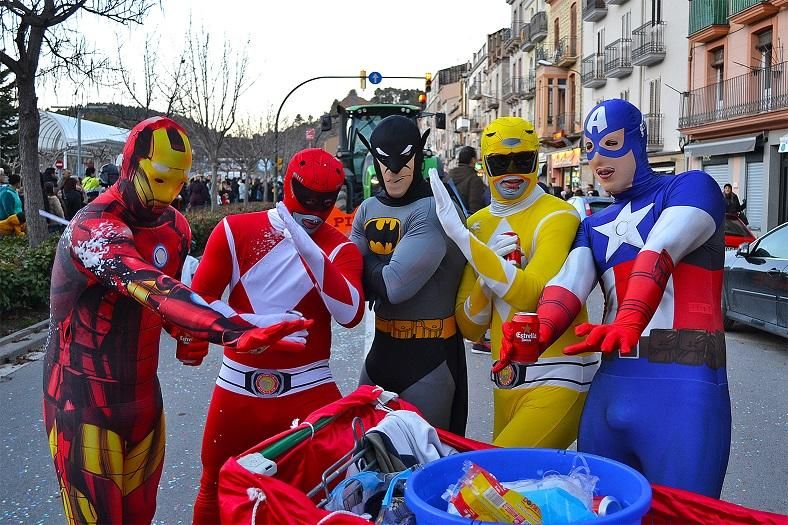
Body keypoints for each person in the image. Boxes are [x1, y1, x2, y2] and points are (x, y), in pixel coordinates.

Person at [42, 116, 310, 525]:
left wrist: (187, 332)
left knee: (140, 516)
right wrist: (232, 329)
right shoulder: (92, 227)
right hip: (81, 400)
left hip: (144, 398)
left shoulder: (175, 227)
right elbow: (148, 285)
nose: (170, 194)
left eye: (180, 182)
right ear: (132, 164)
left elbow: (165, 304)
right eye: (161, 179)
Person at [506, 99, 730, 497]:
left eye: (610, 143)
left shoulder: (692, 187)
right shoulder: (593, 225)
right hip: (610, 387)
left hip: (682, 388)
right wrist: (537, 332)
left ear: (637, 141)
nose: (598, 160)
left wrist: (629, 319)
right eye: (590, 149)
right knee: (600, 510)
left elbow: (660, 249)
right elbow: (569, 283)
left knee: (684, 516)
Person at [187, 148, 364, 524]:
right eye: (307, 197)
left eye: (326, 201)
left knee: (316, 498)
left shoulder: (341, 247)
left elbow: (350, 313)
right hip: (237, 392)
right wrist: (251, 325)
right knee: (214, 485)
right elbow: (196, 305)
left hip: (307, 392)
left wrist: (307, 248)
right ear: (288, 186)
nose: (315, 209)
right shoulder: (235, 230)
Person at [429, 116, 597, 448]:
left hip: (558, 374)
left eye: (523, 160)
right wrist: (485, 277)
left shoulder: (559, 215)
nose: (512, 172)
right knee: (509, 495)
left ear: (537, 159)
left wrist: (468, 245)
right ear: (485, 165)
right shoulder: (476, 225)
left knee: (490, 480)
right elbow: (470, 328)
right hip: (505, 378)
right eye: (500, 162)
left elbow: (532, 297)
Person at [351, 115, 467, 434]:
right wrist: (370, 270)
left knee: (425, 466)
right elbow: (348, 274)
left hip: (429, 359)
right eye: (384, 162)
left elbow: (395, 286)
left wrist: (367, 266)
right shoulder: (367, 208)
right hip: (381, 352)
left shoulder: (432, 210)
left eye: (402, 160)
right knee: (365, 461)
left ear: (417, 156)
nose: (393, 171)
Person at [448, 146, 486, 215]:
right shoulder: (474, 179)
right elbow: (475, 207)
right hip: (466, 221)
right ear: (473, 160)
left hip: (450, 219)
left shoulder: (448, 177)